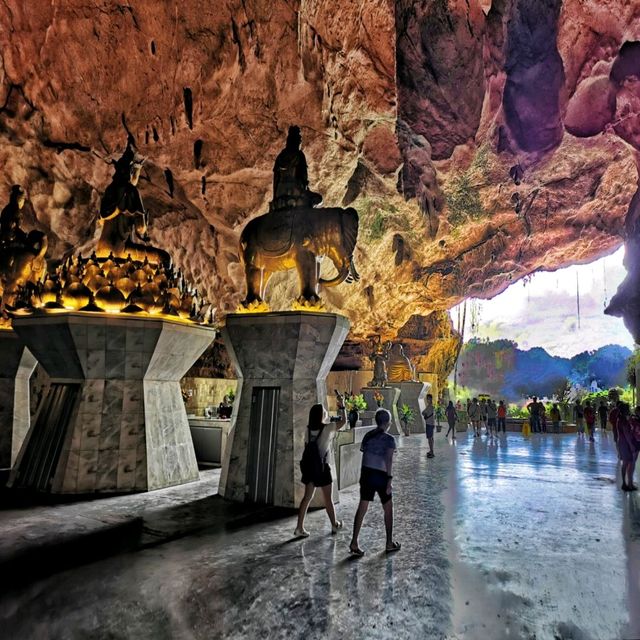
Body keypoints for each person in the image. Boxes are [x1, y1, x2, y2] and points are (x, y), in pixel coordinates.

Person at [349, 408, 400, 556]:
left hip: (366, 473)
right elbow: (388, 460)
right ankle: (389, 543)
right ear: (388, 423)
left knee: (362, 508)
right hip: (381, 475)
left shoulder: (368, 436)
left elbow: (365, 454)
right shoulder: (390, 439)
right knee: (388, 509)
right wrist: (389, 480)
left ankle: (354, 542)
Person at [294, 397, 346, 538]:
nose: (326, 413)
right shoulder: (328, 428)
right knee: (328, 499)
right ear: (321, 415)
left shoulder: (308, 430)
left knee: (307, 497)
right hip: (323, 468)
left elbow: (307, 449)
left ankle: (299, 527)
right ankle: (334, 525)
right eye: (324, 411)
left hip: (310, 468)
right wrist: (342, 406)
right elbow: (343, 422)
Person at [616, 403, 638, 491]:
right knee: (627, 463)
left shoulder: (620, 419)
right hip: (625, 443)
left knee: (625, 463)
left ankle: (626, 483)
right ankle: (626, 484)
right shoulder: (623, 420)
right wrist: (631, 445)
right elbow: (627, 434)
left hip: (622, 442)